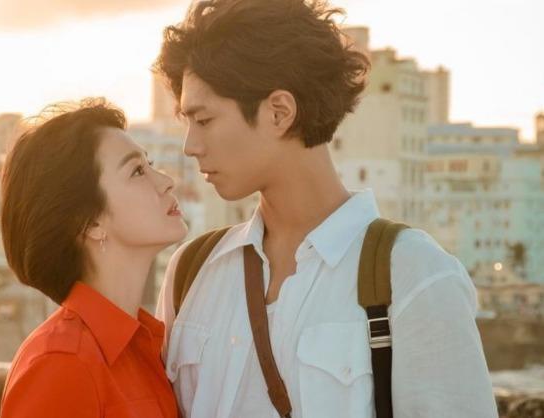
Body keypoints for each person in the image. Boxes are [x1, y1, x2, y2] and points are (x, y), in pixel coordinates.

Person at [153, 1, 499, 417]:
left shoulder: (415, 275)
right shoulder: (190, 271)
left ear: (279, 112)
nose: (190, 146)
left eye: (204, 120)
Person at [0, 99, 187, 418]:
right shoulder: (61, 362)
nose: (166, 181)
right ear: (90, 223)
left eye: (150, 163)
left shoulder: (148, 350)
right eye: (137, 171)